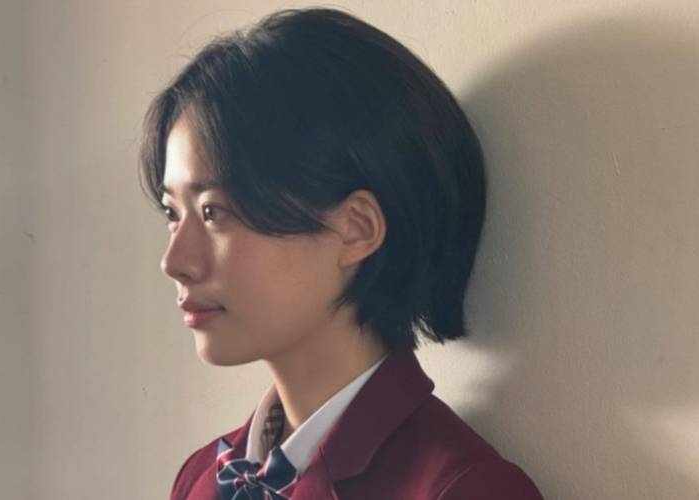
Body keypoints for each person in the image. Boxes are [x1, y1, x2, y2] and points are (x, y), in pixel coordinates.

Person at [139, 6, 543, 500]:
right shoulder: (202, 477)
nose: (175, 261)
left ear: (355, 229)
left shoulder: (461, 489)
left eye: (213, 212)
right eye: (172, 212)